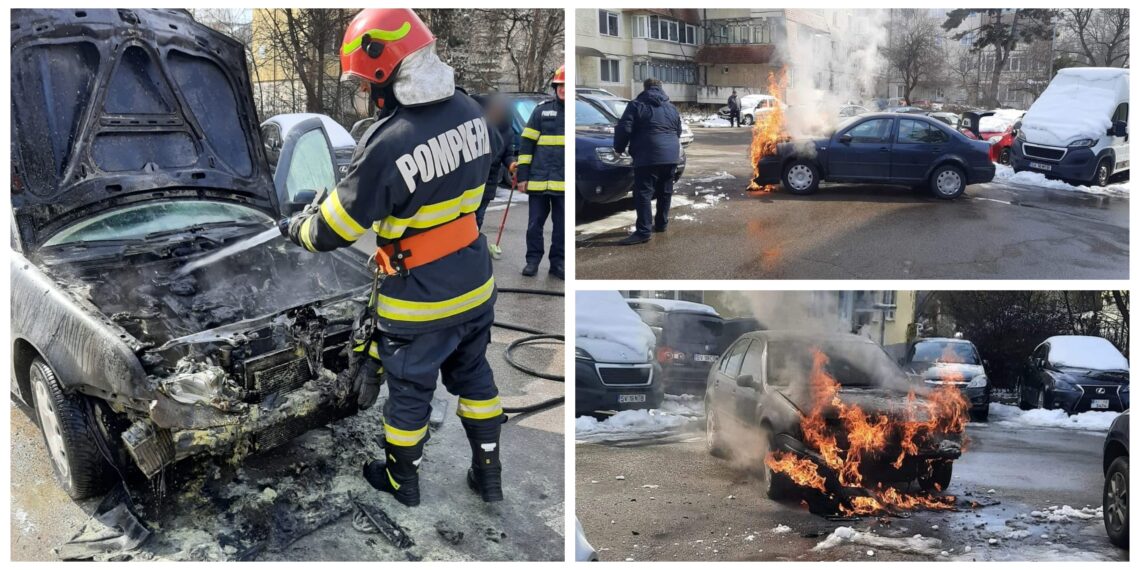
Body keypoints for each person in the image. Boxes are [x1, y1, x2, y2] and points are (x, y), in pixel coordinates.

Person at [281, 8, 504, 507]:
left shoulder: (388, 142)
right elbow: (493, 169)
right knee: (476, 378)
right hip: (475, 282)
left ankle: (404, 483)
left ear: (387, 71)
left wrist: (295, 227)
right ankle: (490, 476)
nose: (366, 94)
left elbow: (331, 230)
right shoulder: (470, 109)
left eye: (366, 83)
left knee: (409, 395)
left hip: (419, 301)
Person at [613, 78, 682, 246]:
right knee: (665, 190)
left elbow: (625, 128)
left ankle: (643, 231)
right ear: (661, 89)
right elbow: (678, 131)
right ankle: (661, 224)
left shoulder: (636, 104)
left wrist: (619, 147)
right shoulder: (672, 107)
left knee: (643, 192)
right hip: (671, 155)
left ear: (645, 88)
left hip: (648, 156)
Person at [515, 65, 565, 280]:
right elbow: (526, 146)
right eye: (560, 85)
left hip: (564, 183)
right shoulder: (541, 110)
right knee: (534, 225)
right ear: (555, 87)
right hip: (538, 180)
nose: (563, 89)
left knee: (561, 228)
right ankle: (532, 261)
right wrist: (523, 177)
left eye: (567, 86)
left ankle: (558, 264)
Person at [472, 93, 515, 229]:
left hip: (489, 181)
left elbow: (507, 154)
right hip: (473, 180)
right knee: (466, 218)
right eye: (495, 109)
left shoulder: (507, 132)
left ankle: (475, 244)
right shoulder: (478, 126)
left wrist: (512, 163)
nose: (497, 112)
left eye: (501, 110)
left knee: (479, 217)